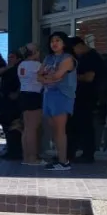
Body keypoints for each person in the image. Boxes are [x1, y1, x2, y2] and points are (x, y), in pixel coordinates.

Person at [38, 31, 77, 171]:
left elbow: (58, 76)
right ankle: (59, 157)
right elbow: (39, 76)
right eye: (52, 41)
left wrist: (48, 77)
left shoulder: (68, 58)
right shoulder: (48, 58)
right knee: (53, 128)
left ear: (64, 43)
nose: (54, 43)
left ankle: (63, 161)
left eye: (57, 40)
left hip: (62, 95)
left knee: (60, 130)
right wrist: (49, 77)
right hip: (48, 95)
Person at [68, 36, 104, 163]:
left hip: (88, 97)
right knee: (74, 126)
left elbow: (89, 77)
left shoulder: (91, 57)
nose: (74, 53)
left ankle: (88, 154)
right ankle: (70, 153)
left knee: (85, 126)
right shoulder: (82, 58)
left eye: (73, 49)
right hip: (79, 97)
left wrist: (72, 76)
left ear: (80, 45)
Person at [17, 42, 44, 166]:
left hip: (24, 95)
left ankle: (26, 157)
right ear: (34, 53)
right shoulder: (37, 65)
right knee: (32, 128)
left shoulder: (21, 65)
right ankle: (33, 158)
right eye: (37, 50)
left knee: (27, 128)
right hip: (34, 95)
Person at [0, 50, 23, 160]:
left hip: (15, 103)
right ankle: (11, 150)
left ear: (18, 58)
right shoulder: (7, 70)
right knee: (7, 127)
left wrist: (17, 93)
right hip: (5, 101)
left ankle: (16, 152)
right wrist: (8, 66)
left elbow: (24, 82)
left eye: (12, 57)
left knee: (15, 127)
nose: (9, 59)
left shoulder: (20, 69)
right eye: (8, 57)